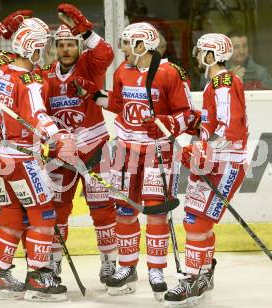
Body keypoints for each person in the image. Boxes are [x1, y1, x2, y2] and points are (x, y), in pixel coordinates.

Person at [76, 22, 193, 299]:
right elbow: (118, 104)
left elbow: (187, 114)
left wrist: (166, 122)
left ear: (143, 45)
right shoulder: (123, 71)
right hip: (127, 150)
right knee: (125, 210)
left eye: (128, 43)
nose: (124, 49)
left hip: (158, 151)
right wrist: (92, 94)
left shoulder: (170, 73)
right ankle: (127, 267)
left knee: (155, 211)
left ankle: (156, 269)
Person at [0, 11, 77, 302]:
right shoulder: (29, 80)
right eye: (42, 47)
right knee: (44, 213)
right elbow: (38, 115)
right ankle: (39, 277)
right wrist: (59, 137)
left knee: (10, 214)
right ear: (32, 47)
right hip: (23, 159)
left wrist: (0, 28)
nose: (45, 52)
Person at [163, 33, 248, 306]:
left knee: (198, 222)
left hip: (226, 163)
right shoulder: (215, 83)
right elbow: (213, 124)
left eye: (201, 51)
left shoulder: (223, 81)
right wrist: (191, 125)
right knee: (195, 219)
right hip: (213, 162)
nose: (198, 55)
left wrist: (202, 149)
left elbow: (228, 129)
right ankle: (203, 274)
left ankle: (191, 278)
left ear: (211, 55)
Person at [38, 3, 117, 286]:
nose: (67, 49)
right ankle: (53, 263)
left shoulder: (89, 65)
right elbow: (39, 112)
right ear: (55, 47)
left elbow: (105, 52)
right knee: (57, 208)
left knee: (102, 207)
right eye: (62, 45)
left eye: (71, 43)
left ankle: (109, 262)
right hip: (62, 152)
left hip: (95, 147)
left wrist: (83, 28)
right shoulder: (46, 75)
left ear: (78, 46)